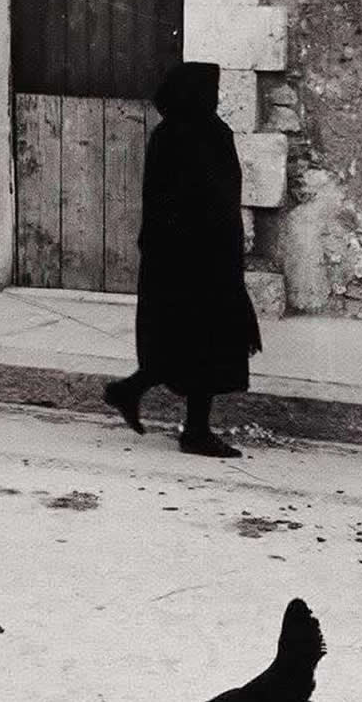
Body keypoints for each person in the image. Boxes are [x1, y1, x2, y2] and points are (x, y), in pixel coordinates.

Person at [104, 62, 261, 457]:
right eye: (211, 91)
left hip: (177, 258)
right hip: (201, 259)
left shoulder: (170, 134)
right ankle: (193, 431)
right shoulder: (205, 134)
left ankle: (131, 391)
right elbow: (210, 201)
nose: (217, 98)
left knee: (184, 340)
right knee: (204, 341)